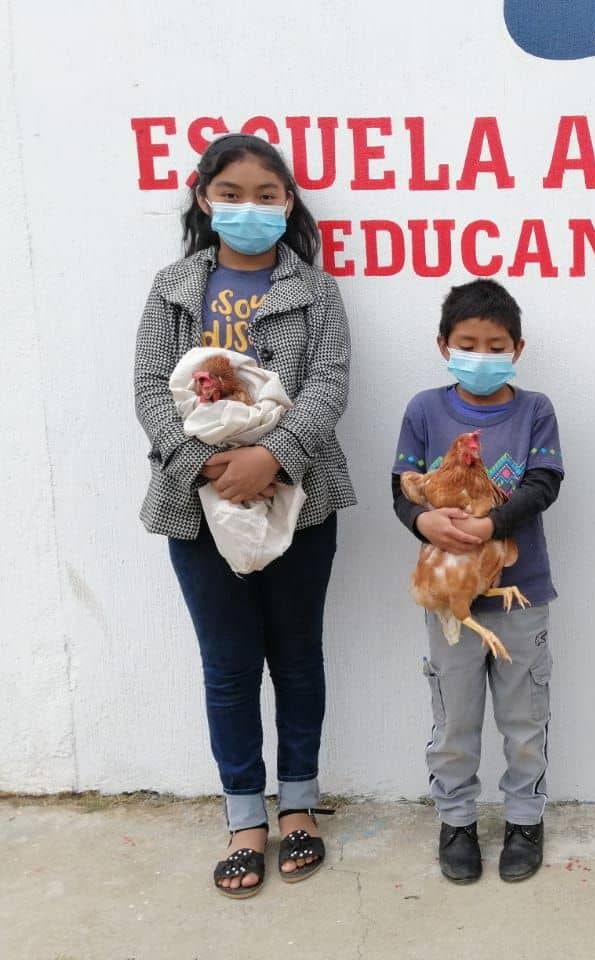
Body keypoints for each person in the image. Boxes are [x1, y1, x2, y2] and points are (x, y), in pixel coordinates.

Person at [133, 133, 356, 897]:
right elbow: (148, 391)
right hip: (195, 505)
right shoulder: (173, 286)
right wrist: (206, 468)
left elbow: (328, 383)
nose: (250, 208)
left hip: (301, 497)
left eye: (268, 195)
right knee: (228, 668)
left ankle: (297, 806)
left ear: (289, 204)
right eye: (232, 193)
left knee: (297, 657)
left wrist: (274, 456)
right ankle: (243, 820)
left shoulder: (315, 289)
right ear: (204, 199)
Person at [392, 279, 564, 884]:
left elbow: (544, 484)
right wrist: (424, 520)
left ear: (517, 348)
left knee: (524, 717)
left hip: (521, 591)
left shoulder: (535, 408)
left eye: (496, 345)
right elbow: (402, 488)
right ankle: (457, 820)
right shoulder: (423, 409)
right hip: (448, 593)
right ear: (444, 344)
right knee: (454, 719)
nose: (482, 355)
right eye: (469, 343)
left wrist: (492, 522)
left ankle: (524, 818)